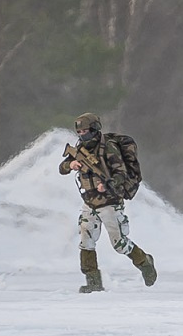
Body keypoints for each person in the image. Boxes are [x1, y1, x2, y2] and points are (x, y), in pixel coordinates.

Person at [57, 111, 156, 293]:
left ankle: (144, 262)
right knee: (86, 241)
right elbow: (62, 168)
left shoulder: (108, 148)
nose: (82, 135)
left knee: (119, 243)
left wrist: (108, 184)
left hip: (110, 203)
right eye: (79, 132)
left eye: (85, 131)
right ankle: (93, 282)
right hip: (89, 203)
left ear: (94, 129)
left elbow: (121, 173)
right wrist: (71, 165)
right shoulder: (80, 149)